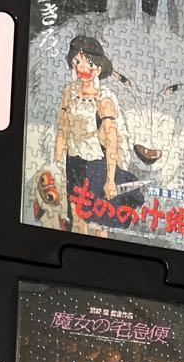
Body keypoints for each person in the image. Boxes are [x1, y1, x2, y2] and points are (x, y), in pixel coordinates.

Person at [53, 34, 135, 236]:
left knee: (97, 221)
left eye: (87, 63)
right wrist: (56, 164)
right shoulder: (69, 92)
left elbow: (112, 141)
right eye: (76, 61)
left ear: (98, 68)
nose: (81, 67)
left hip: (95, 166)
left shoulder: (103, 99)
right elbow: (62, 129)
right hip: (73, 163)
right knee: (76, 216)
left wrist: (110, 180)